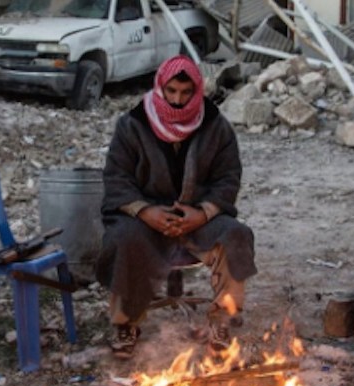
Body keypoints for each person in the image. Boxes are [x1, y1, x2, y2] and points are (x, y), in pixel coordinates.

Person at [96, 55, 257, 359]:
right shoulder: (132, 125)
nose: (178, 100)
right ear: (160, 87)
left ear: (196, 90)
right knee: (123, 239)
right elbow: (117, 178)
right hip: (144, 218)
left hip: (199, 217)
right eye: (171, 91)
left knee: (237, 235)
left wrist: (203, 213)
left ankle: (222, 320)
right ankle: (125, 323)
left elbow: (228, 178)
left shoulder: (215, 126)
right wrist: (146, 212)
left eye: (185, 93)